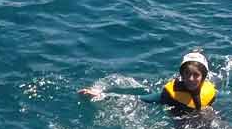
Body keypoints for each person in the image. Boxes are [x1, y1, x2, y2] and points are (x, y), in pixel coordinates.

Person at [80, 50, 218, 117]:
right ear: (181, 75)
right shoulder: (171, 94)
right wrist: (102, 95)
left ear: (204, 76)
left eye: (196, 75)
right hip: (183, 124)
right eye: (187, 74)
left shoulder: (210, 92)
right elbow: (139, 99)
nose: (191, 79)